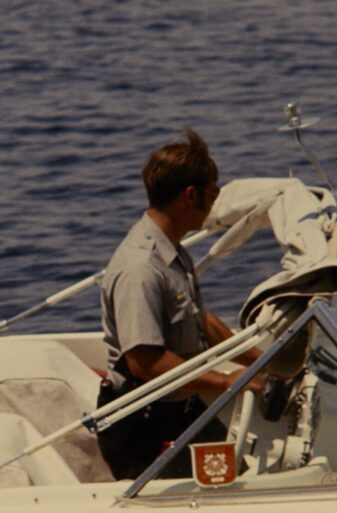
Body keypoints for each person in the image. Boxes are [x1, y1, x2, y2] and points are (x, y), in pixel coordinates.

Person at [96, 128, 263, 480]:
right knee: (225, 496)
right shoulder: (141, 267)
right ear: (191, 196)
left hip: (179, 410)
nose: (215, 203)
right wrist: (225, 381)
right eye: (212, 193)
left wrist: (260, 357)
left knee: (240, 480)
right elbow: (145, 361)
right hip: (143, 427)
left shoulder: (172, 251)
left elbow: (196, 318)